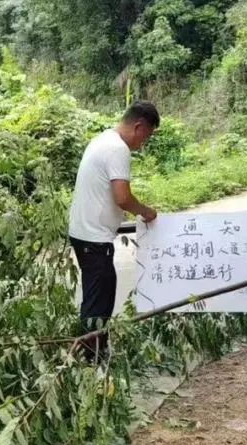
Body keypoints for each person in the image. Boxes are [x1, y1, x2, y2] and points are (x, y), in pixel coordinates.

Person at [68, 101, 160, 362]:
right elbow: (122, 197)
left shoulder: (102, 140)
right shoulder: (118, 149)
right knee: (99, 301)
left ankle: (95, 350)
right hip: (93, 238)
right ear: (139, 126)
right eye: (147, 136)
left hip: (84, 233)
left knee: (99, 293)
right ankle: (92, 357)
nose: (143, 143)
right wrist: (146, 211)